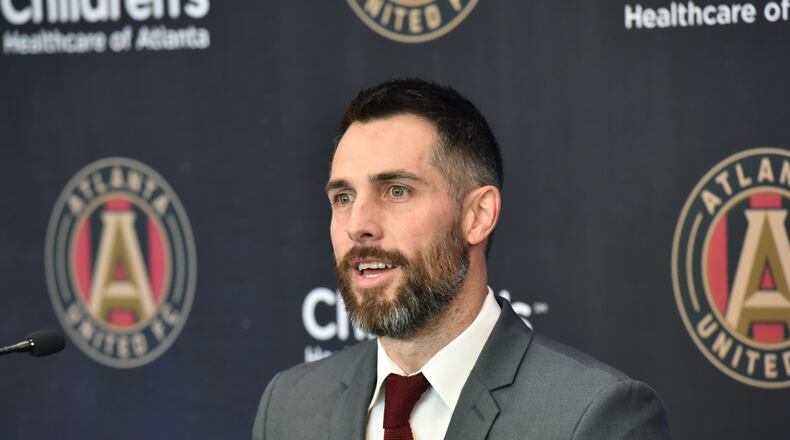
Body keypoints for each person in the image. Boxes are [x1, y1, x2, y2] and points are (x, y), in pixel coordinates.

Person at [252, 79, 670, 440]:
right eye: (343, 198)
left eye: (396, 190)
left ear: (477, 215)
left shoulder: (592, 416)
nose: (357, 225)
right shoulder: (289, 408)